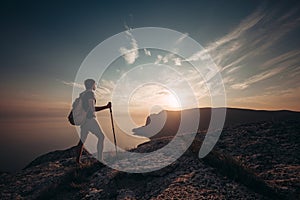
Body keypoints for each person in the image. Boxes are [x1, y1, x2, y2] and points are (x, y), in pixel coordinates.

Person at [76, 79, 111, 164]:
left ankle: (77, 161)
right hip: (90, 120)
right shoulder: (90, 94)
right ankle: (100, 159)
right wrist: (106, 107)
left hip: (84, 121)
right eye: (95, 84)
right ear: (92, 85)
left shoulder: (82, 94)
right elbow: (92, 109)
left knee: (82, 141)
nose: (95, 86)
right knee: (101, 137)